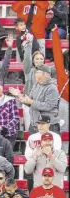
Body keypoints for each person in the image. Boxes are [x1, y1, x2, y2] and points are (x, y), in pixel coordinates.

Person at [10, 65, 61, 135]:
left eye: (37, 72)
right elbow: (29, 101)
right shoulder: (36, 85)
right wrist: (19, 95)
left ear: (46, 74)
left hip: (49, 125)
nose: (35, 74)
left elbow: (49, 106)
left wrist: (31, 101)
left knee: (48, 145)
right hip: (34, 124)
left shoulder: (52, 88)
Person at [52, 24, 69, 153]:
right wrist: (54, 33)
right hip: (64, 103)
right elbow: (57, 53)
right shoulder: (62, 72)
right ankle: (64, 158)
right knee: (64, 132)